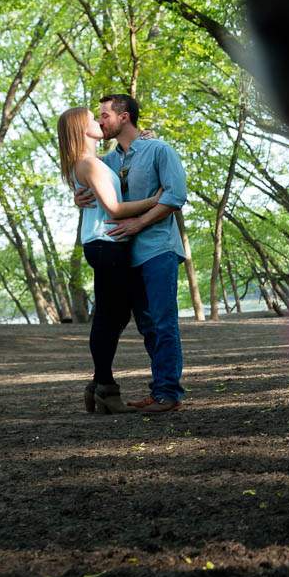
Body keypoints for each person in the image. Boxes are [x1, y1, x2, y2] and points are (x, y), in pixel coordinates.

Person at [75, 93, 190, 412]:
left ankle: (169, 394)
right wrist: (77, 196)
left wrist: (139, 223)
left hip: (158, 249)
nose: (99, 120)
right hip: (124, 255)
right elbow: (93, 190)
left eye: (104, 115)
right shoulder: (108, 161)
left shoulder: (160, 150)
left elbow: (175, 195)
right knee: (145, 325)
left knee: (164, 322)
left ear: (124, 117)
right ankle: (154, 391)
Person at [55, 107, 164, 414]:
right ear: (81, 128)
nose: (99, 121)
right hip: (106, 244)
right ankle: (104, 386)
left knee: (114, 317)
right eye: (93, 118)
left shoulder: (94, 163)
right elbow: (115, 209)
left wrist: (141, 140)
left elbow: (117, 167)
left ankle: (98, 384)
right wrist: (157, 200)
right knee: (107, 317)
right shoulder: (89, 164)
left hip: (107, 244)